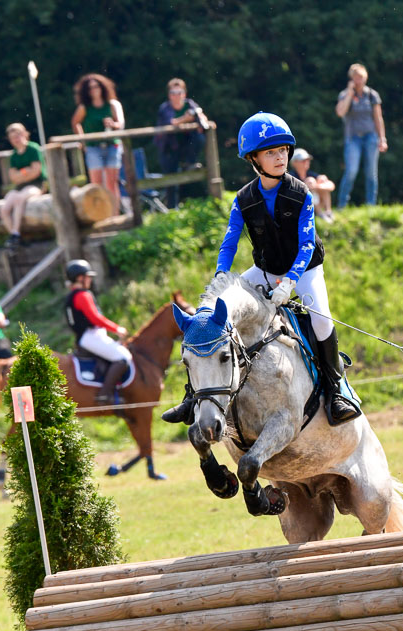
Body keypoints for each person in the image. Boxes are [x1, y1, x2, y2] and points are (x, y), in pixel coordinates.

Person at [163, 112, 359, 427]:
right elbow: (229, 243)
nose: (280, 157)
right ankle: (191, 398)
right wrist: (221, 279)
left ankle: (338, 391)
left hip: (305, 270)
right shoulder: (243, 199)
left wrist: (290, 282)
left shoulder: (301, 193)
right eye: (271, 152)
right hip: (264, 269)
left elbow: (306, 244)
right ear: (254, 158)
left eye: (283, 150)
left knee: (321, 320)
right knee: (213, 311)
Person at [65, 260, 131, 404]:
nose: (90, 279)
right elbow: (95, 318)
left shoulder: (72, 295)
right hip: (90, 336)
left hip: (86, 336)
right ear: (79, 278)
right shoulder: (82, 295)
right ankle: (104, 394)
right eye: (87, 276)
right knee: (123, 357)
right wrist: (116, 329)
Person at [71, 74, 125, 214]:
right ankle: (102, 216)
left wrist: (112, 124)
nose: (93, 90)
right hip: (93, 148)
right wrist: (81, 140)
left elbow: (121, 124)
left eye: (96, 86)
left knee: (112, 184)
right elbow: (75, 122)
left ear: (102, 87)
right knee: (97, 185)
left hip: (112, 146)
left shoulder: (112, 104)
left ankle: (115, 215)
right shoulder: (85, 107)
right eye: (90, 88)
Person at [335, 63, 387, 208]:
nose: (359, 80)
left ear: (366, 78)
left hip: (371, 137)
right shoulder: (345, 95)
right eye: (356, 77)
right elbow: (340, 112)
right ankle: (342, 205)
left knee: (371, 172)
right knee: (351, 171)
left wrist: (382, 138)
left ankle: (371, 205)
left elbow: (378, 118)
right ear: (351, 78)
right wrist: (350, 93)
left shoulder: (372, 95)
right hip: (353, 138)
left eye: (361, 77)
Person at [154, 78, 210, 209]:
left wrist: (200, 118)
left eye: (179, 92)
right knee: (171, 179)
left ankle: (190, 163)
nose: (176, 95)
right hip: (169, 148)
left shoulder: (190, 104)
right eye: (173, 92)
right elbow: (170, 123)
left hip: (185, 146)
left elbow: (201, 116)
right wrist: (186, 119)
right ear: (169, 94)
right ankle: (172, 210)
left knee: (200, 137)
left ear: (184, 93)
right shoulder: (165, 108)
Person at [0, 123, 47, 248]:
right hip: (20, 187)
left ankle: (15, 232)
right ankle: (15, 235)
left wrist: (21, 174)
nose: (16, 140)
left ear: (24, 134)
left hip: (36, 185)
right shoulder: (14, 155)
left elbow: (36, 171)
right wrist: (26, 171)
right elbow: (13, 178)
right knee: (4, 208)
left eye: (18, 136)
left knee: (20, 199)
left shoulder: (33, 149)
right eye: (12, 138)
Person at [289, 148, 335, 222]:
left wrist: (317, 185)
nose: (306, 162)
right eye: (303, 160)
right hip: (301, 208)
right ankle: (320, 214)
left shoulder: (310, 174)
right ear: (294, 162)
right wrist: (309, 186)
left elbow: (331, 186)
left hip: (314, 204)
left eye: (307, 160)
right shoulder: (291, 177)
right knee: (311, 182)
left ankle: (328, 212)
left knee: (319, 184)